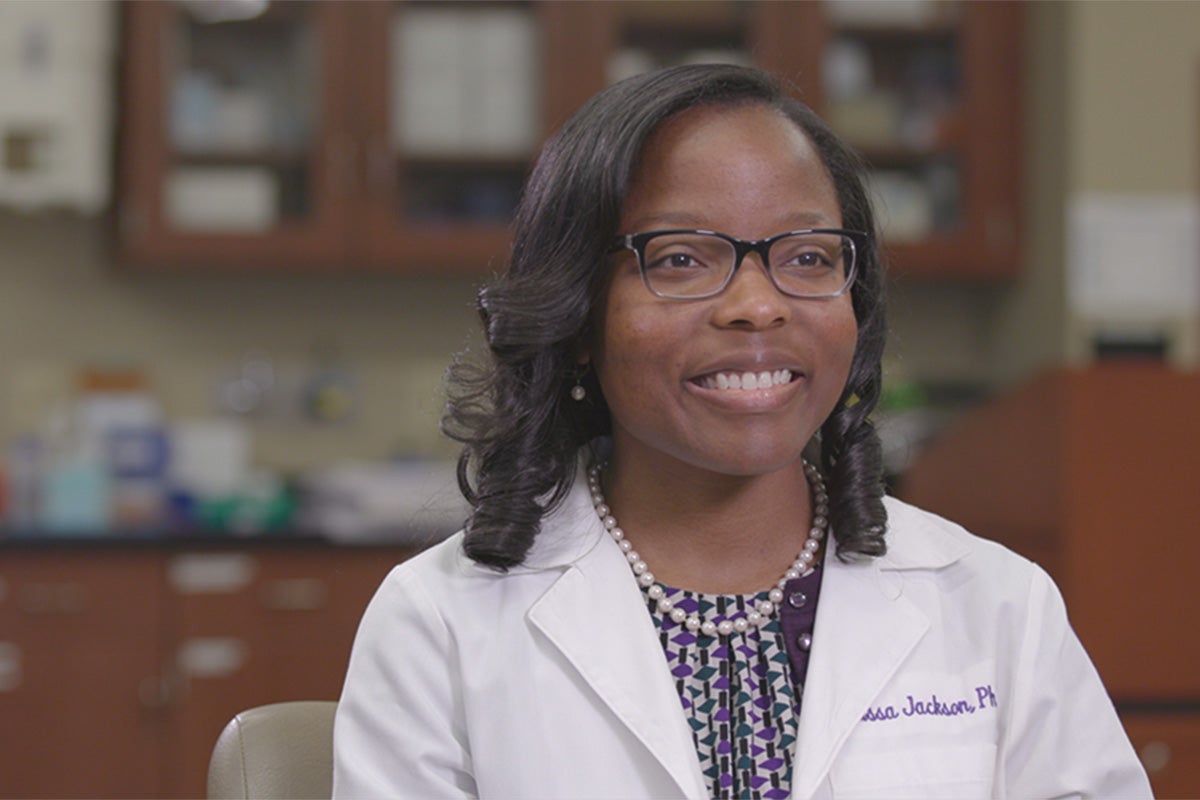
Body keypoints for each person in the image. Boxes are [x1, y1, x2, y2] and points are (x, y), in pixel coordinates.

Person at [333, 64, 1151, 799]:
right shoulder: (439, 624)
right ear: (578, 312)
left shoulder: (998, 604)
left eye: (807, 257)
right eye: (682, 258)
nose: (759, 305)